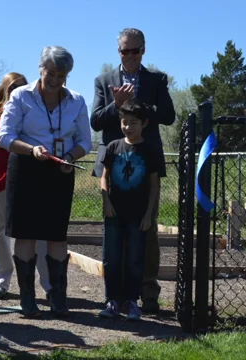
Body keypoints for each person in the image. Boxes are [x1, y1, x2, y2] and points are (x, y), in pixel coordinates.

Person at [0, 46, 92, 318]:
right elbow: (5, 136)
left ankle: (58, 298)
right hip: (26, 167)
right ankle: (28, 299)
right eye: (51, 73)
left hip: (60, 170)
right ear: (41, 69)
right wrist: (32, 150)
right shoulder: (20, 95)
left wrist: (70, 156)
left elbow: (85, 141)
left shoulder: (77, 101)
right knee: (25, 234)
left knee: (55, 235)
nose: (56, 80)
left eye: (62, 75)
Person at [90, 28, 175, 313]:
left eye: (135, 50)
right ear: (118, 52)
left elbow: (168, 115)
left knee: (146, 228)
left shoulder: (156, 79)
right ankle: (116, 296)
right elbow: (95, 121)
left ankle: (148, 292)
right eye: (125, 51)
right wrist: (116, 107)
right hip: (114, 164)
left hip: (145, 161)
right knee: (114, 230)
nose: (129, 56)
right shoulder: (104, 81)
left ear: (143, 50)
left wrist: (138, 108)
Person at [0, 72, 51, 300]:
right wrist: (7, 126)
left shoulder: (32, 109)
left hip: (26, 176)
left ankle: (49, 285)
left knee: (37, 232)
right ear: (4, 89)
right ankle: (1, 282)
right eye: (13, 87)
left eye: (22, 86)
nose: (18, 91)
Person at [98, 99, 160, 321]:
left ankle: (132, 301)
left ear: (144, 123)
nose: (128, 127)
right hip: (114, 212)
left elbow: (154, 186)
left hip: (138, 214)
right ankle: (112, 300)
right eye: (124, 122)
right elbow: (104, 177)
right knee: (111, 257)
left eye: (133, 123)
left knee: (135, 258)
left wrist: (148, 215)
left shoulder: (150, 150)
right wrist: (106, 201)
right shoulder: (113, 147)